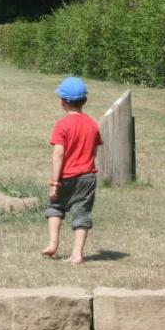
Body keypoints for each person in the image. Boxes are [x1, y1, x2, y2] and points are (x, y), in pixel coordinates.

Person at [42, 76, 102, 264]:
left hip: (66, 176)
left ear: (62, 102)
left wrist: (54, 182)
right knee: (82, 211)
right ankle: (77, 253)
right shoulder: (92, 124)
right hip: (87, 176)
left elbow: (58, 154)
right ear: (84, 101)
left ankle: (53, 244)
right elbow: (94, 148)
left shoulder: (62, 125)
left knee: (55, 206)